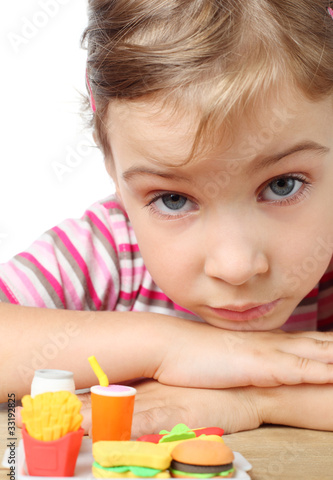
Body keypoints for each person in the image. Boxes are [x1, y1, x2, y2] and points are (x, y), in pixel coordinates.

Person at [3, 0, 333, 437]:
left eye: (283, 185)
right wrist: (169, 348)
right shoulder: (109, 251)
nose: (235, 267)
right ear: (113, 171)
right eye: (174, 199)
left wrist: (256, 395)